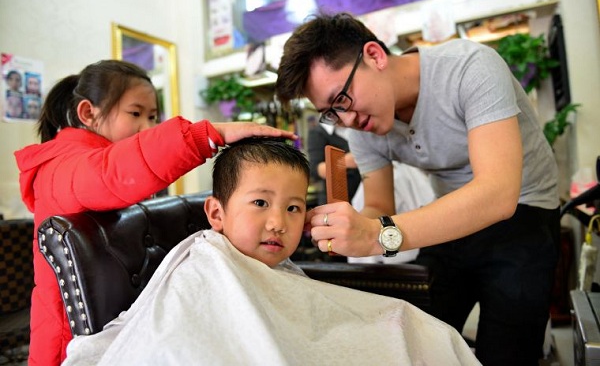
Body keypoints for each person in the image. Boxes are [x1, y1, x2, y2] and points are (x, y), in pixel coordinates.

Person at [275, 12, 560, 366]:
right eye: (330, 112)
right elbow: (378, 205)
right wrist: (341, 225)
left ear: (375, 56)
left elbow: (498, 194)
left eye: (342, 99)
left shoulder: (470, 68)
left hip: (525, 210)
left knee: (508, 350)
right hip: (453, 214)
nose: (346, 120)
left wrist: (379, 235)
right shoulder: (362, 126)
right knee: (417, 337)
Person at [62, 138, 480, 365]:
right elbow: (178, 344)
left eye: (294, 207)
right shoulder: (206, 267)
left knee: (421, 330)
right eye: (260, 203)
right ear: (216, 213)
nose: (279, 221)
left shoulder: (273, 265)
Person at [13, 60, 297, 366]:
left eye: (152, 117)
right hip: (65, 340)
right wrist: (205, 136)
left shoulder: (86, 160)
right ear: (88, 113)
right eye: (135, 113)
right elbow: (112, 172)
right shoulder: (62, 166)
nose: (147, 127)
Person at [307, 121, 361, 205]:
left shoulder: (355, 129)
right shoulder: (318, 133)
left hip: (361, 193)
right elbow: (315, 169)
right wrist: (345, 161)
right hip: (336, 198)